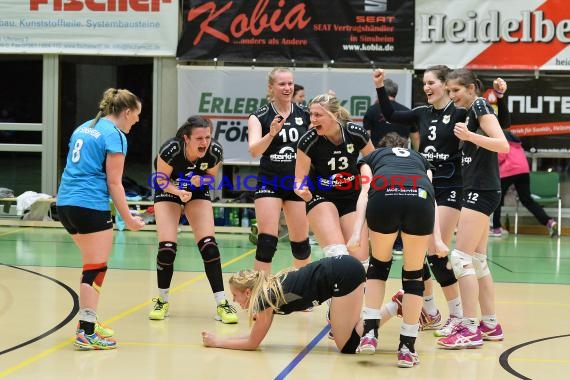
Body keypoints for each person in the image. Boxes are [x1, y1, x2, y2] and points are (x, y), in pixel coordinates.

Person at [373, 67, 466, 335]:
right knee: (417, 254)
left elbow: (497, 124)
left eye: (431, 82)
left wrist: (499, 99)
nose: (426, 87)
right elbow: (390, 114)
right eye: (424, 83)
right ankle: (431, 311)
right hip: (424, 185)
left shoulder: (461, 113)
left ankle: (458, 315)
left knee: (437, 252)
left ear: (445, 85)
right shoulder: (422, 113)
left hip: (451, 187)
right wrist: (380, 85)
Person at [347, 133, 448, 367]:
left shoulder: (371, 158)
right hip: (419, 196)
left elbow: (364, 193)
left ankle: (370, 333)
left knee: (378, 266)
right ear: (406, 148)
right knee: (413, 275)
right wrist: (439, 240)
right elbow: (431, 197)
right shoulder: (420, 158)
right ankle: (406, 348)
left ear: (383, 148)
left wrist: (355, 233)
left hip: (385, 196)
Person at [56, 88, 145, 350]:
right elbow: (115, 183)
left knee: (91, 266)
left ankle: (89, 321)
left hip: (65, 204)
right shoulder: (114, 135)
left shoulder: (85, 127)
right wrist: (128, 218)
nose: (138, 120)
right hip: (89, 205)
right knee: (95, 269)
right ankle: (86, 332)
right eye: (137, 115)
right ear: (126, 112)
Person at [437, 68, 509, 349]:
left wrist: (470, 137)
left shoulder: (479, 105)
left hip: (482, 189)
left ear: (470, 88)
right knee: (477, 261)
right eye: (450, 90)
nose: (451, 95)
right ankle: (490, 324)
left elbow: (502, 144)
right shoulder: (469, 111)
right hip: (478, 188)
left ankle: (469, 329)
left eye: (456, 90)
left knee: (460, 258)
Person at [148, 115, 238, 324]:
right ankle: (162, 300)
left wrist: (201, 180)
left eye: (207, 137)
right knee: (167, 248)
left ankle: (222, 303)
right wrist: (178, 192)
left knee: (209, 246)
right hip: (169, 189)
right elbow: (160, 180)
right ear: (186, 139)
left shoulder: (214, 151)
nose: (205, 142)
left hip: (196, 192)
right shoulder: (171, 150)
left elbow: (210, 177)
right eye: (199, 138)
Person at [201, 255, 366, 354]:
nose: (235, 301)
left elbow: (253, 343)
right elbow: (252, 336)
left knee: (347, 346)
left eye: (235, 295)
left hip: (342, 274)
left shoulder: (265, 299)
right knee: (347, 341)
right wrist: (220, 338)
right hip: (342, 269)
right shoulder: (267, 292)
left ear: (248, 293)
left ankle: (387, 310)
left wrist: (217, 342)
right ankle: (378, 314)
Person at [295, 93, 375, 265]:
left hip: (352, 198)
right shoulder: (308, 140)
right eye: (311, 114)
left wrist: (370, 187)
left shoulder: (355, 133)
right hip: (322, 197)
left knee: (361, 263)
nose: (313, 119)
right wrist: (302, 191)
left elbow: (374, 162)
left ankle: (358, 292)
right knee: (338, 256)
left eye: (318, 115)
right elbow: (299, 180)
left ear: (335, 115)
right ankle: (332, 290)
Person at [247, 67, 311, 273]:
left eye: (290, 83)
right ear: (271, 87)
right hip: (270, 182)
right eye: (282, 84)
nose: (287, 88)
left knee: (301, 246)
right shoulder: (259, 116)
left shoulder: (306, 115)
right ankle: (261, 294)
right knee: (266, 241)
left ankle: (301, 293)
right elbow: (254, 151)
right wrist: (271, 134)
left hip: (297, 184)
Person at [489, 82, 558, 238]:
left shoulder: (500, 135)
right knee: (527, 200)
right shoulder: (514, 138)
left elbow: (501, 155)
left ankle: (496, 228)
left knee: (497, 200)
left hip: (507, 170)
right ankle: (549, 222)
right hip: (523, 170)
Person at [363, 78, 419, 149]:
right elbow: (416, 139)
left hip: (379, 156)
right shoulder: (407, 111)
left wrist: (369, 157)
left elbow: (366, 137)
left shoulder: (372, 110)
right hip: (402, 156)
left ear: (380, 92)